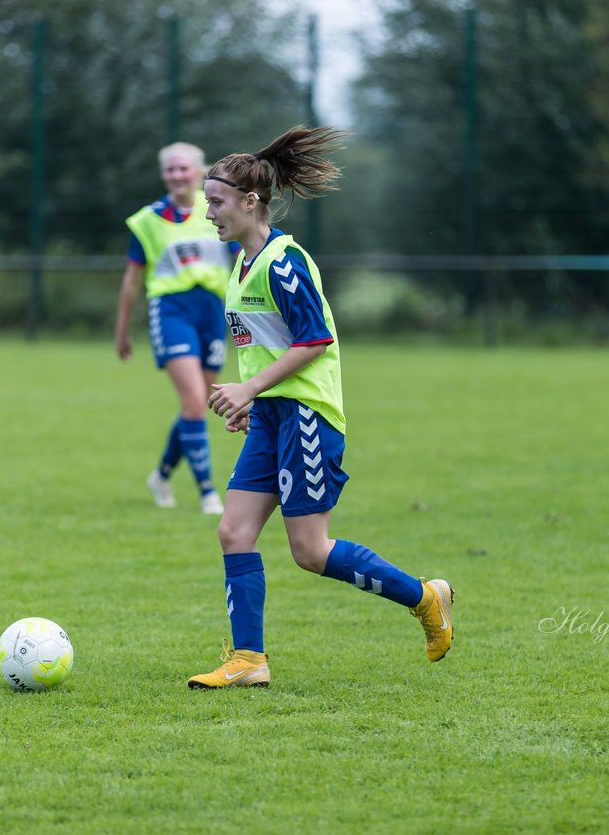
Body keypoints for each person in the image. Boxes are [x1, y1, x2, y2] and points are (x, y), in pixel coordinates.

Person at [186, 125, 454, 689]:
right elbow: (264, 347)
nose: (208, 212)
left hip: (307, 416)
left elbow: (314, 342)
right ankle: (248, 660)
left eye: (216, 201)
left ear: (250, 201)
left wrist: (249, 390)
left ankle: (426, 597)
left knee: (309, 551)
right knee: (234, 532)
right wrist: (248, 402)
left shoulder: (284, 262)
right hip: (272, 417)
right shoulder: (240, 266)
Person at [115, 142, 237, 515]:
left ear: (201, 172)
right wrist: (122, 329)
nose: (177, 175)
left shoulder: (217, 211)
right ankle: (207, 492)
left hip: (212, 310)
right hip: (171, 310)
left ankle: (162, 474)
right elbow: (133, 279)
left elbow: (243, 260)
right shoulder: (147, 221)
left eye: (184, 168)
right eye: (170, 169)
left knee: (198, 403)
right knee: (194, 401)